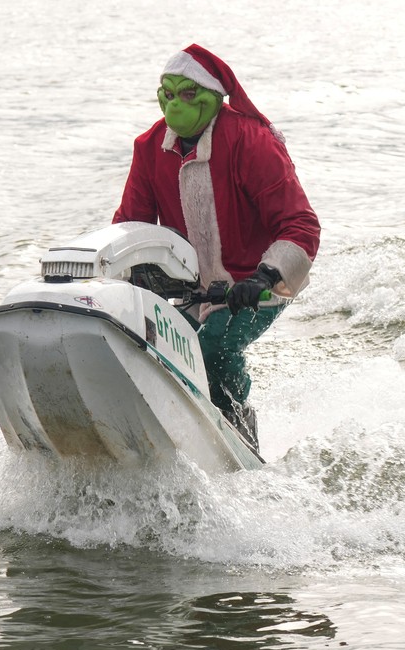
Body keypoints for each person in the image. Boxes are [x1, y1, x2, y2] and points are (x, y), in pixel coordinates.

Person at [112, 44, 321, 452]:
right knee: (156, 348)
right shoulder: (149, 146)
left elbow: (301, 225)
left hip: (259, 288)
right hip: (195, 293)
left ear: (213, 97)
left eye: (188, 94)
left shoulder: (252, 141)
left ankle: (241, 444)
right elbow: (130, 226)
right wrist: (126, 276)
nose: (176, 104)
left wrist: (267, 274)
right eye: (168, 94)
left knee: (214, 348)